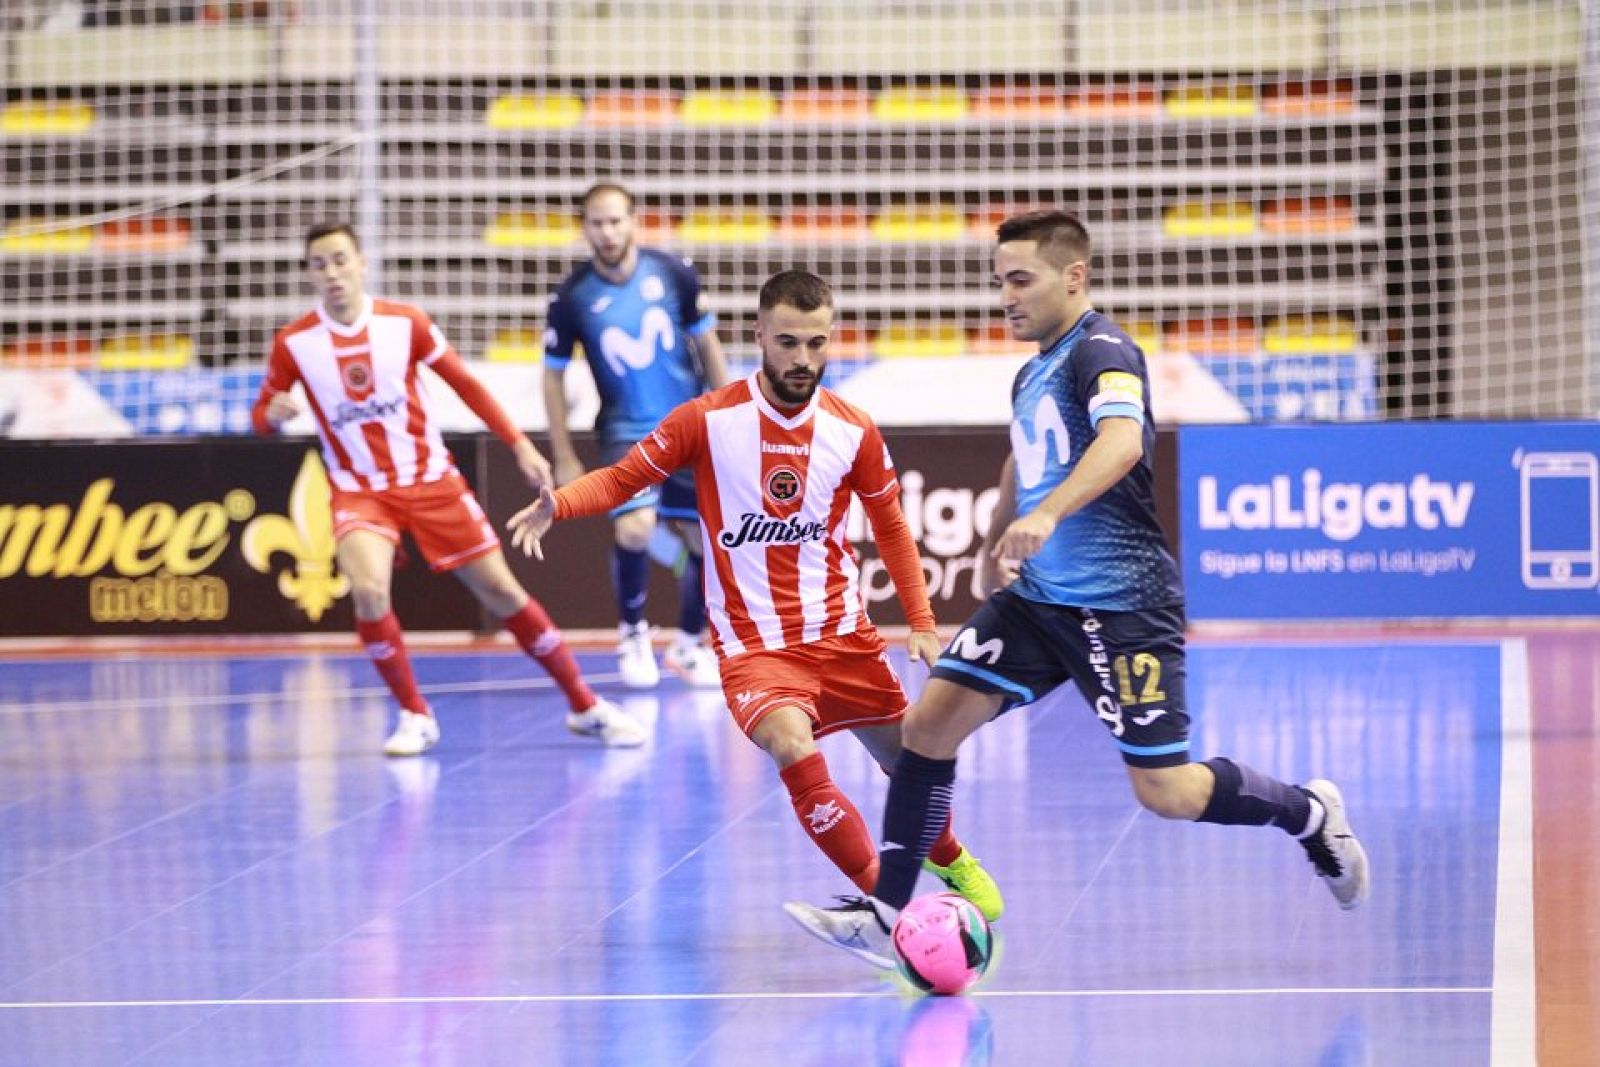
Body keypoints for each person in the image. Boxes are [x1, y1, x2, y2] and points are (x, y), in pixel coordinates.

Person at [782, 210, 1371, 968]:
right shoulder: (1032, 370)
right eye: (1000, 281)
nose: (1006, 297)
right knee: (927, 725)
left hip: (1121, 603)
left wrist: (1051, 513)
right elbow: (1020, 464)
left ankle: (1309, 811)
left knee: (1166, 791)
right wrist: (1002, 532)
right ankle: (889, 911)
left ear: (1074, 276)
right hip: (1038, 602)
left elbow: (1123, 441)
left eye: (1020, 280)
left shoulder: (1103, 351)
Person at [509, 270, 1002, 925]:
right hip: (754, 646)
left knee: (910, 761)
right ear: (759, 335)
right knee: (794, 747)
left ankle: (947, 853)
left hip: (841, 635)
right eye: (789, 342)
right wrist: (561, 505)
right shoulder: (707, 421)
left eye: (817, 343)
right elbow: (626, 478)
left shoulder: (853, 430)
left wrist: (920, 618)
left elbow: (890, 525)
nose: (803, 359)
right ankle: (891, 911)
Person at [251, 221, 646, 756]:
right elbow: (260, 416)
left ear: (362, 263)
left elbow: (466, 384)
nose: (332, 273)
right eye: (319, 264)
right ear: (309, 275)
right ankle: (415, 714)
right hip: (358, 490)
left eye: (341, 260)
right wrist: (271, 416)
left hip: (431, 481)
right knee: (367, 590)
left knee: (503, 593)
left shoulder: (405, 324)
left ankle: (584, 704)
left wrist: (520, 445)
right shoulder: (294, 343)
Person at [543, 182, 730, 690]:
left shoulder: (672, 273)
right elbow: (553, 375)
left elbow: (707, 343)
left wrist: (730, 412)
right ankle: (632, 635)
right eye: (597, 223)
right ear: (584, 228)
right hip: (625, 433)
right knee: (635, 529)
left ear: (633, 221)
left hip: (688, 425)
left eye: (615, 221)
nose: (607, 232)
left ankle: (690, 646)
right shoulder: (572, 296)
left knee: (707, 543)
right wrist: (562, 453)